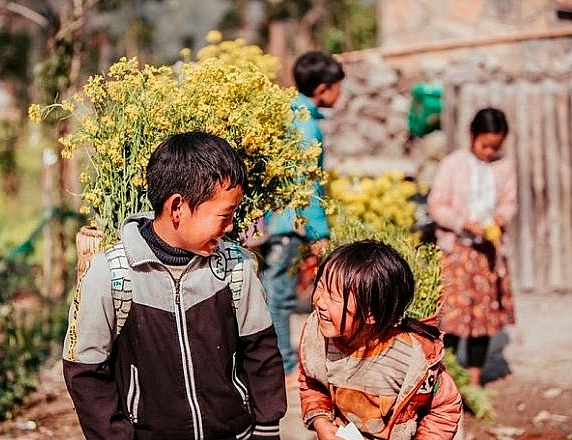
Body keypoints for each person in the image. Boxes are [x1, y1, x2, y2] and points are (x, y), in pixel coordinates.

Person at [62, 131, 287, 440]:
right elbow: (85, 374)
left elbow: (260, 351)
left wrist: (266, 427)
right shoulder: (111, 274)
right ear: (178, 207)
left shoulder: (236, 267)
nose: (231, 226)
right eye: (226, 214)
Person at [297, 240, 462, 440]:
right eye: (320, 287)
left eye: (334, 297)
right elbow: (312, 383)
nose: (320, 301)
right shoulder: (318, 340)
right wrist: (321, 422)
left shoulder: (410, 360)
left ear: (370, 313)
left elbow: (445, 406)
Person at [260, 51, 345, 385]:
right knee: (279, 298)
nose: (340, 95)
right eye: (338, 88)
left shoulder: (288, 113)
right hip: (289, 225)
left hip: (278, 222)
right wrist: (319, 232)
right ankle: (286, 365)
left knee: (277, 295)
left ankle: (284, 361)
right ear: (323, 89)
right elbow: (306, 184)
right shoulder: (306, 125)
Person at [427, 107, 517, 386]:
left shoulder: (505, 167)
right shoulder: (453, 164)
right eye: (485, 145)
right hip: (455, 252)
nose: (490, 151)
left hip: (486, 255)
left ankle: (475, 381)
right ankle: (449, 381)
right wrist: (464, 223)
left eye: (496, 146)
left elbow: (509, 202)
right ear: (471, 136)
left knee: (482, 321)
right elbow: (436, 204)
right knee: (451, 320)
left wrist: (501, 218)